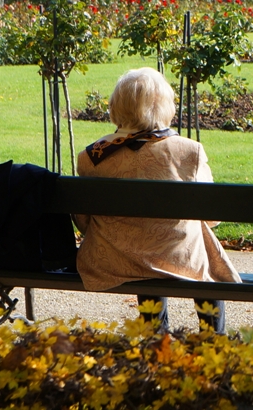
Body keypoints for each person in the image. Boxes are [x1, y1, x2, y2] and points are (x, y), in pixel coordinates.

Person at [74, 68, 241, 333]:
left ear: (117, 106)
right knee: (200, 242)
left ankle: (155, 335)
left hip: (115, 260)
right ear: (163, 106)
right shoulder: (188, 151)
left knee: (140, 243)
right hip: (178, 259)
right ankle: (213, 336)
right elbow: (212, 216)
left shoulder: (91, 156)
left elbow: (83, 220)